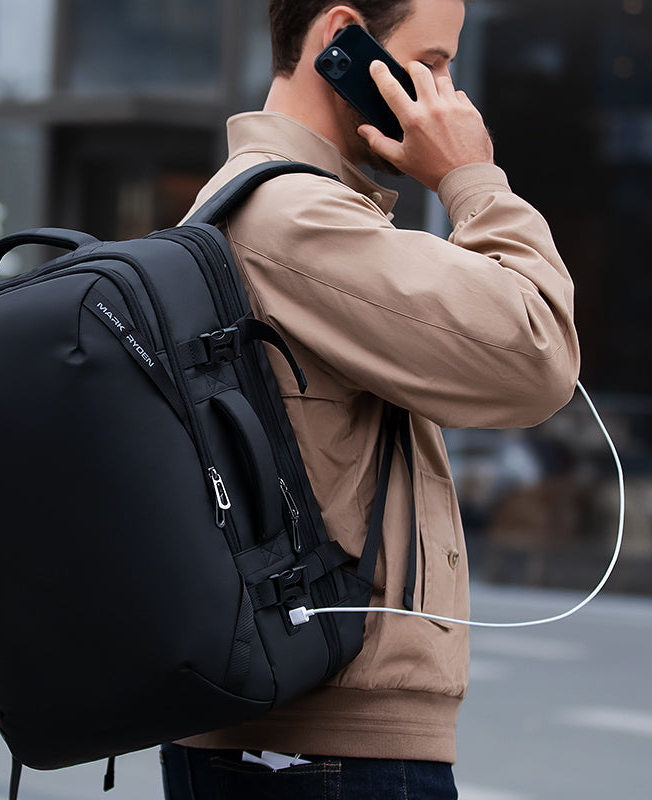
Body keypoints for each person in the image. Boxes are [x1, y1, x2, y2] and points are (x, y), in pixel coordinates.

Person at [162, 0, 580, 797]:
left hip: (289, 745)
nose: (450, 97)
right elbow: (539, 353)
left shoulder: (248, 208)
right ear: (340, 41)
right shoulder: (295, 221)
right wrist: (472, 179)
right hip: (328, 758)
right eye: (433, 61)